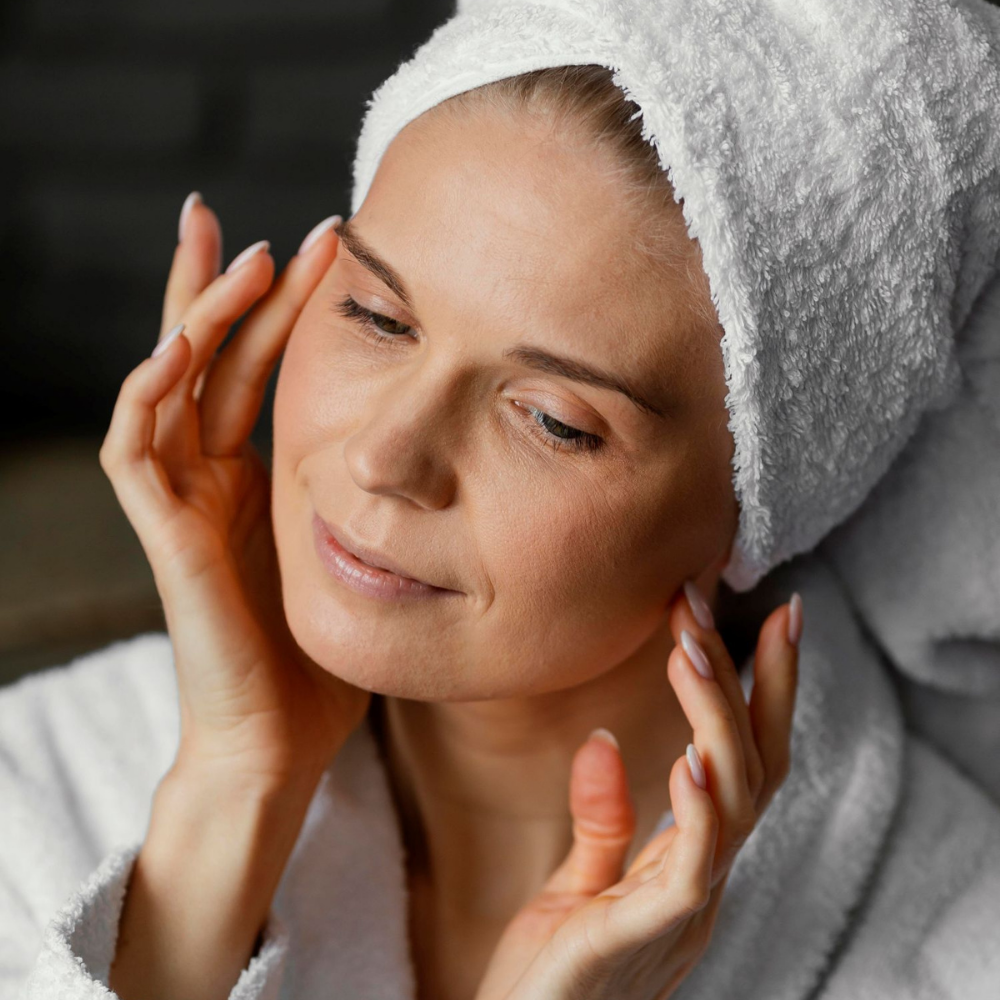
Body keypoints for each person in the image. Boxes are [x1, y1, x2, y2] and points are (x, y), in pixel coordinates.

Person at [4, 1, 1000, 999]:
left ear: (759, 508)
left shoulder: (961, 951)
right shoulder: (39, 782)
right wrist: (230, 797)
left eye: (553, 421)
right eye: (377, 316)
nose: (384, 457)